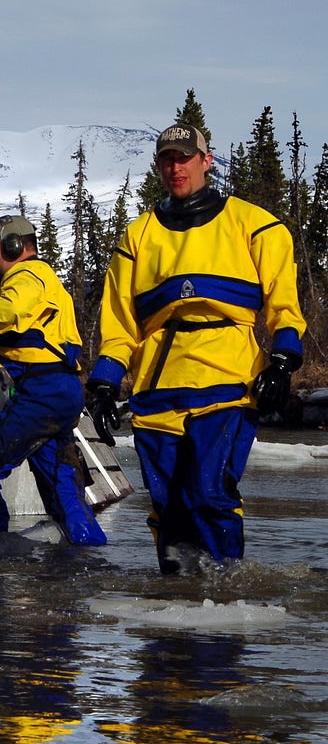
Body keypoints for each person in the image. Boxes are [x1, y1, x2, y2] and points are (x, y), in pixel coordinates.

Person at [85, 123, 306, 574]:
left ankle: (224, 599)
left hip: (227, 380)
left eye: (184, 157)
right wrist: (105, 385)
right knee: (167, 507)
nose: (175, 166)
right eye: (167, 158)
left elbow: (284, 305)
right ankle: (176, 608)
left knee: (208, 493)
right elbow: (120, 324)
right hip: (157, 388)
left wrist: (282, 361)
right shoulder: (138, 237)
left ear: (206, 161)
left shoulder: (256, 225)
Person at [0, 215, 107, 546]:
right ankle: (89, 561)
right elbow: (20, 338)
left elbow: (9, 311)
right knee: (63, 492)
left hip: (38, 394)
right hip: (59, 393)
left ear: (16, 246)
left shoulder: (27, 276)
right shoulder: (46, 282)